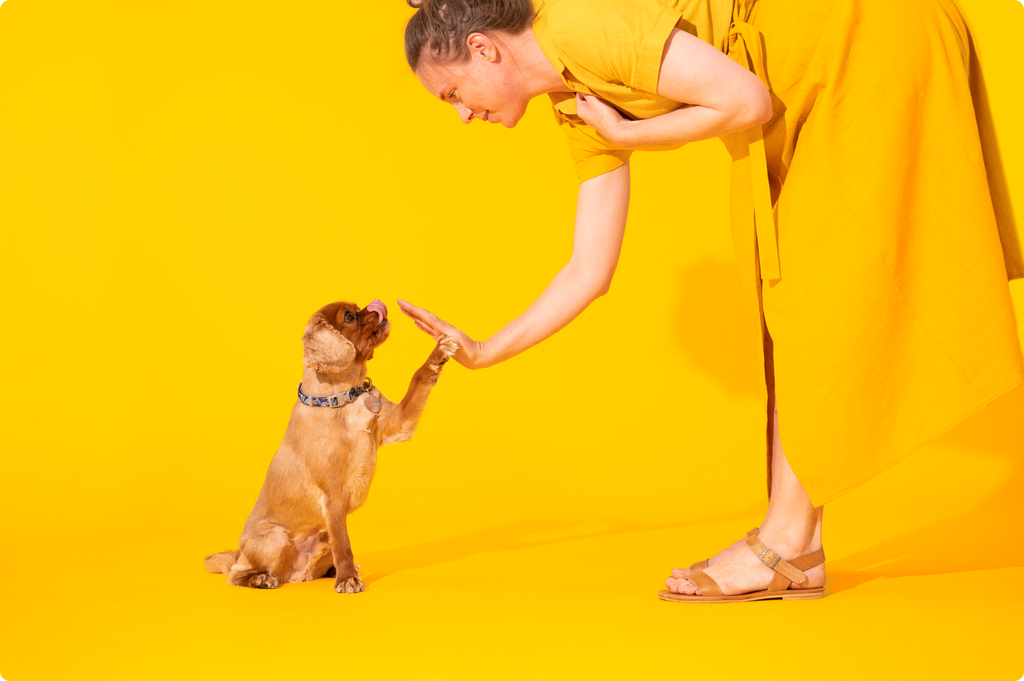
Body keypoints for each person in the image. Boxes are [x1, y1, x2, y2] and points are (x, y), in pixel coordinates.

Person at [396, 0, 1024, 602]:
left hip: (862, 36)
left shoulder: (579, 24)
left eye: (452, 93)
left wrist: (631, 134)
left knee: (808, 290)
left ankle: (787, 543)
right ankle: (796, 546)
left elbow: (745, 100)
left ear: (483, 49)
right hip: (808, 76)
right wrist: (485, 350)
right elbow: (589, 269)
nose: (462, 115)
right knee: (784, 291)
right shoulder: (575, 104)